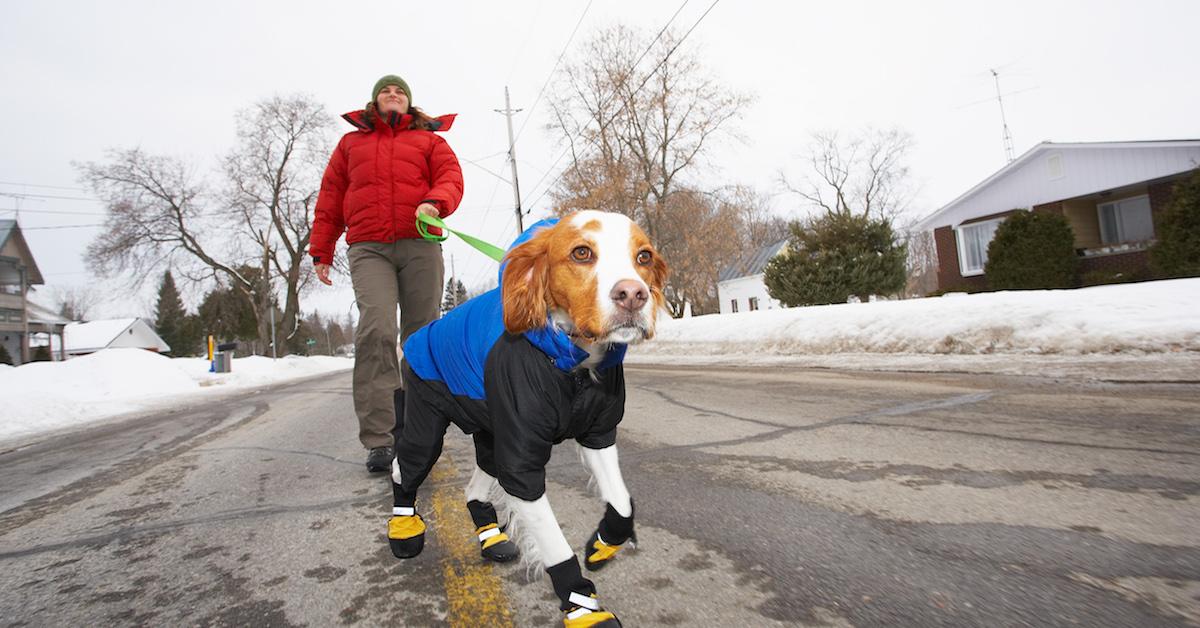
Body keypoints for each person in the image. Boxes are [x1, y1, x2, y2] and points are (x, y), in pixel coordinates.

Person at [310, 75, 463, 473]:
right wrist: (321, 250)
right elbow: (330, 198)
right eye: (385, 91)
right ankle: (380, 439)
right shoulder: (351, 144)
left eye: (399, 91)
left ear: (409, 103)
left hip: (420, 242)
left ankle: (420, 430)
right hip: (369, 247)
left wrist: (435, 202)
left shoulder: (430, 141)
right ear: (374, 102)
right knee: (376, 328)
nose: (392, 95)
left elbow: (451, 178)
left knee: (422, 336)